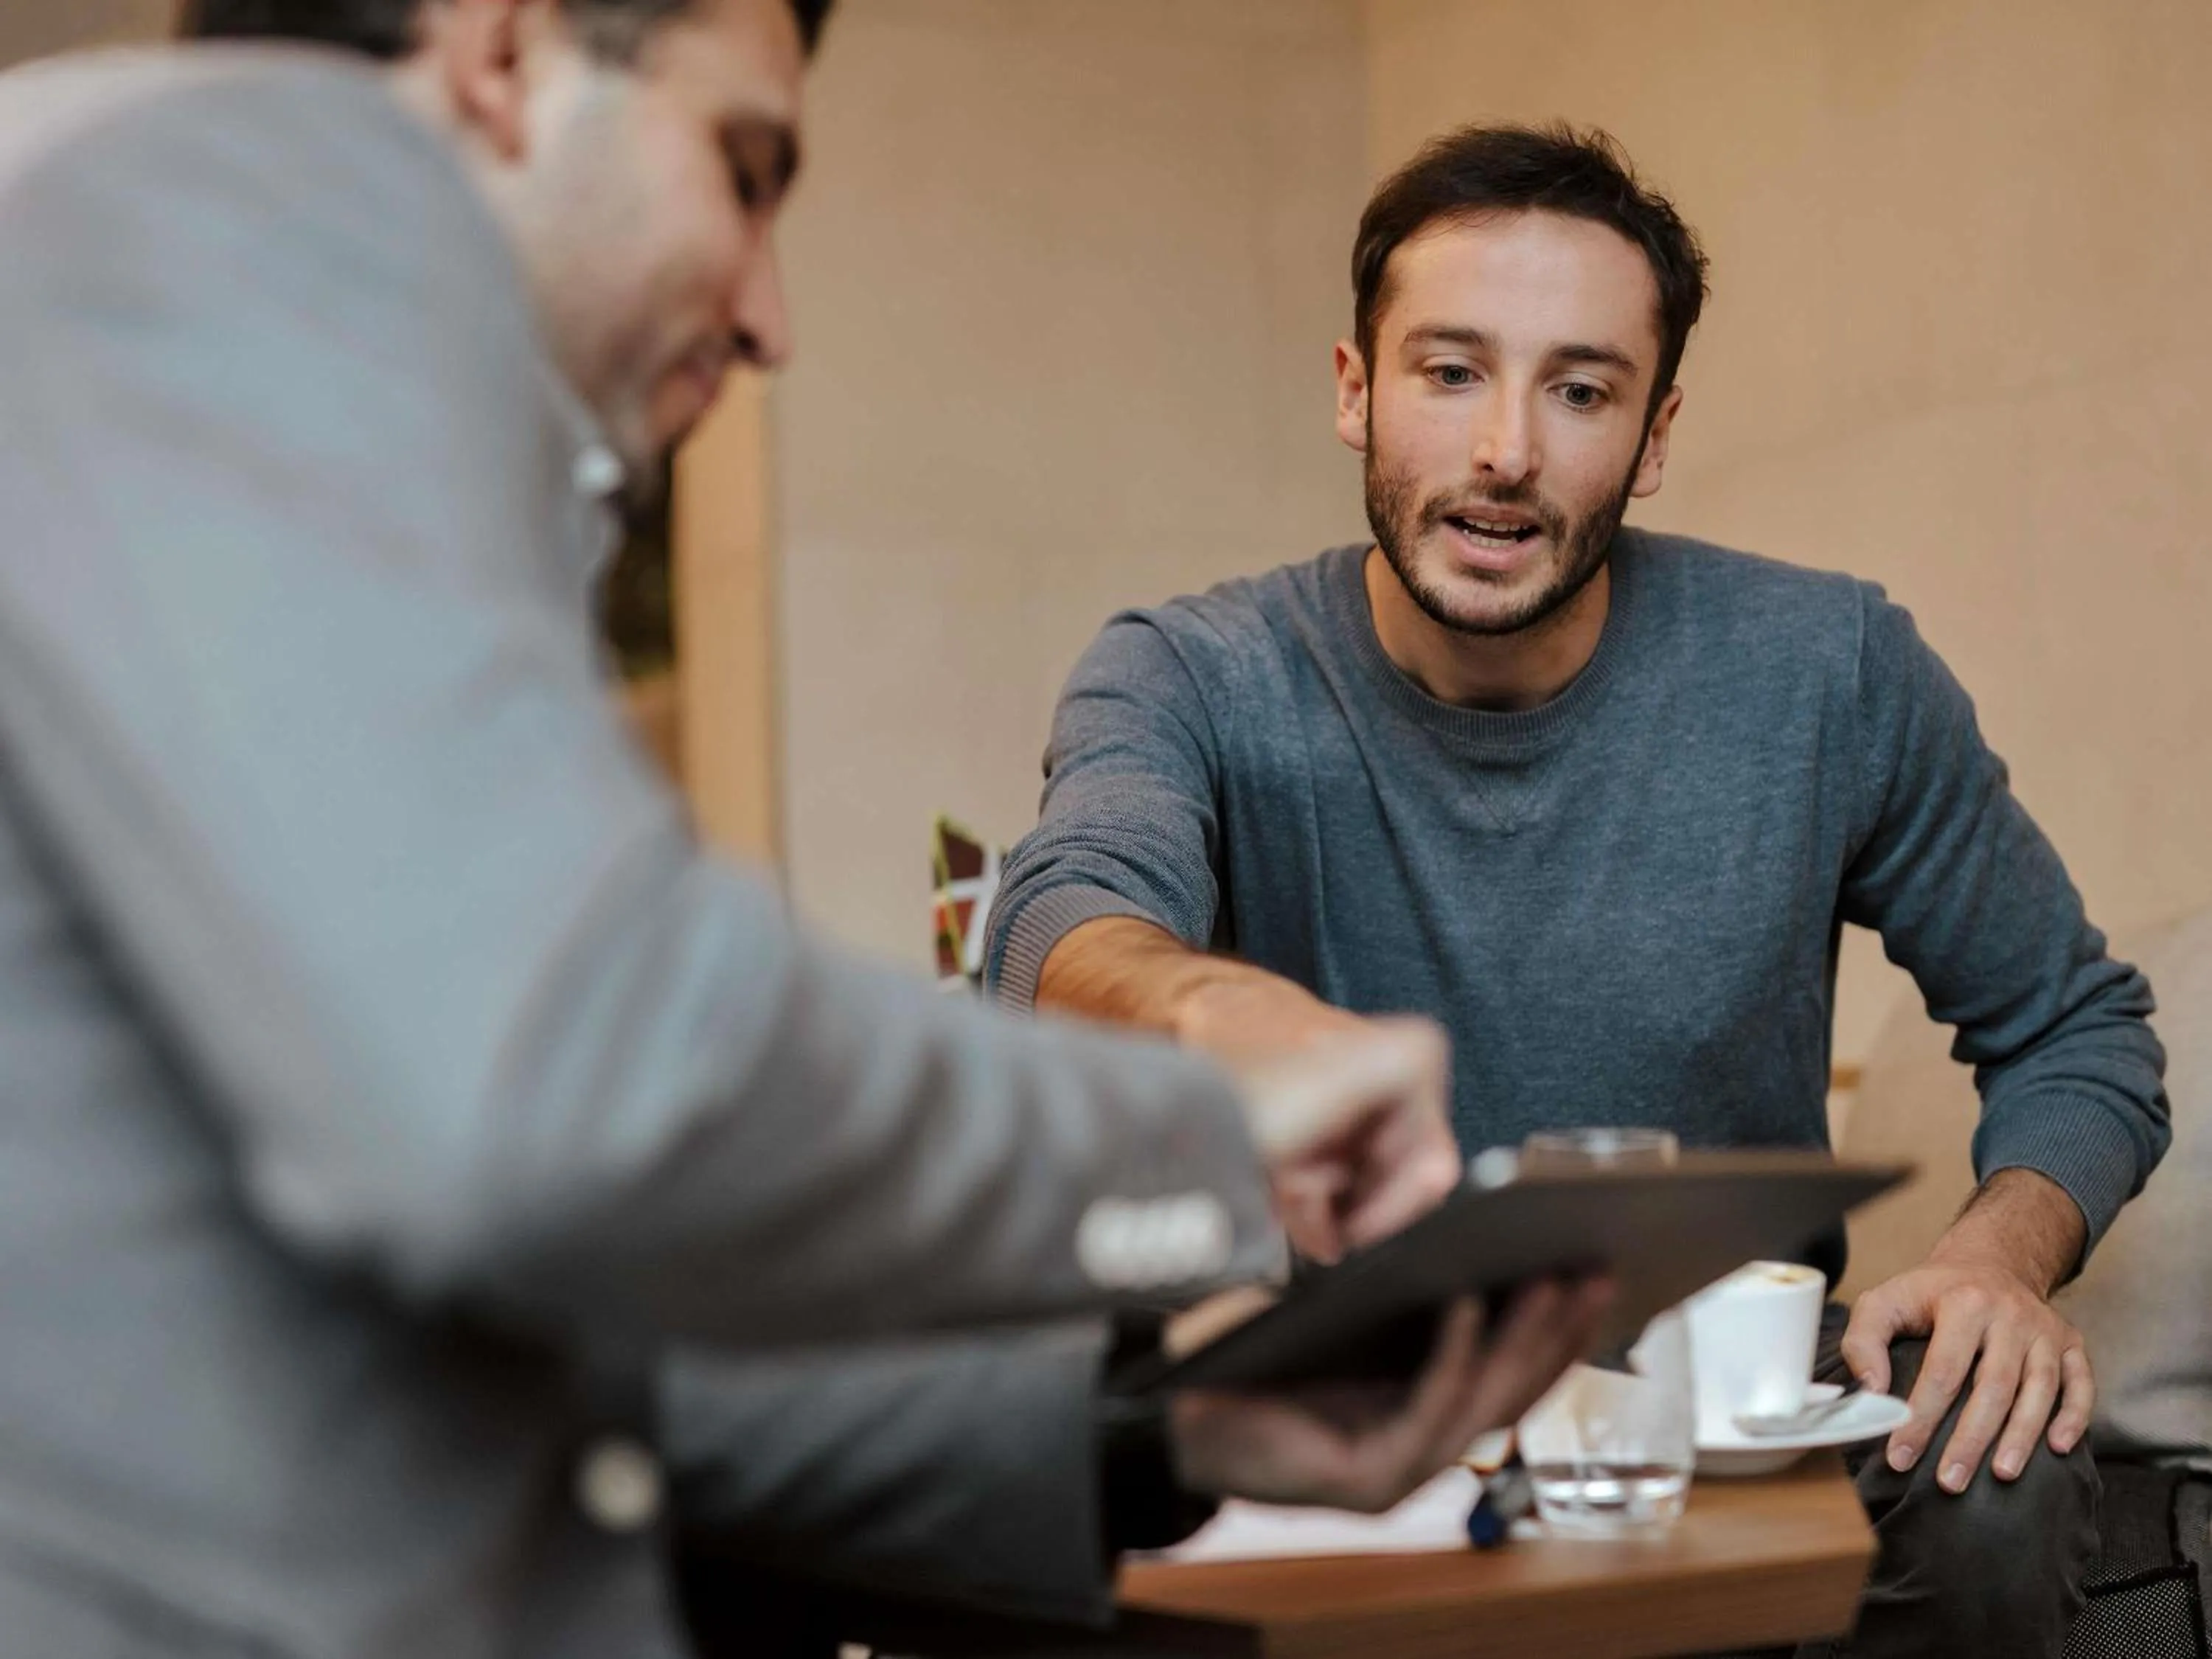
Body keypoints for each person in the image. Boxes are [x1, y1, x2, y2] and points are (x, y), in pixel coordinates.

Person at [0, 7, 1612, 1653]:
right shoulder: (202, 208)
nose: (771, 317)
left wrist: (1160, 1432)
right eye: (744, 168)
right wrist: (1211, 1143)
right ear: (502, 54)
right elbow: (554, 1088)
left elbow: (573, 1340)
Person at [987, 122, 2173, 1658]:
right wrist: (1221, 1008)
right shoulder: (1190, 674)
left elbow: (2080, 1029)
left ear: (1654, 435)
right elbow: (1056, 928)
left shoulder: (1830, 673)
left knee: (2001, 1476)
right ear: (1356, 389)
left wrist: (1991, 1260)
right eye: (1451, 371)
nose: (1506, 453)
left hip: (1728, 1420)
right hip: (1349, 1419)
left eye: (1581, 390)